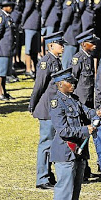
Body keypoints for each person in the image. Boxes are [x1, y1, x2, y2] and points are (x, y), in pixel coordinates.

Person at [50, 68, 100, 200]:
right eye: (69, 82)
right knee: (64, 190)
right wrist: (85, 130)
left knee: (75, 190)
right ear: (60, 84)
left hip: (79, 152)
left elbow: (86, 112)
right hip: (66, 152)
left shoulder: (74, 100)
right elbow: (63, 130)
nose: (73, 85)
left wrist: (96, 113)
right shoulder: (57, 103)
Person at [29, 32, 64, 189]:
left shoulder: (56, 60)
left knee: (52, 143)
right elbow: (39, 85)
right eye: (60, 44)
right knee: (46, 143)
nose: (62, 47)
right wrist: (32, 105)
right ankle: (42, 178)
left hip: (54, 107)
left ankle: (48, 176)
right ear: (51, 45)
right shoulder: (46, 61)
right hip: (46, 108)